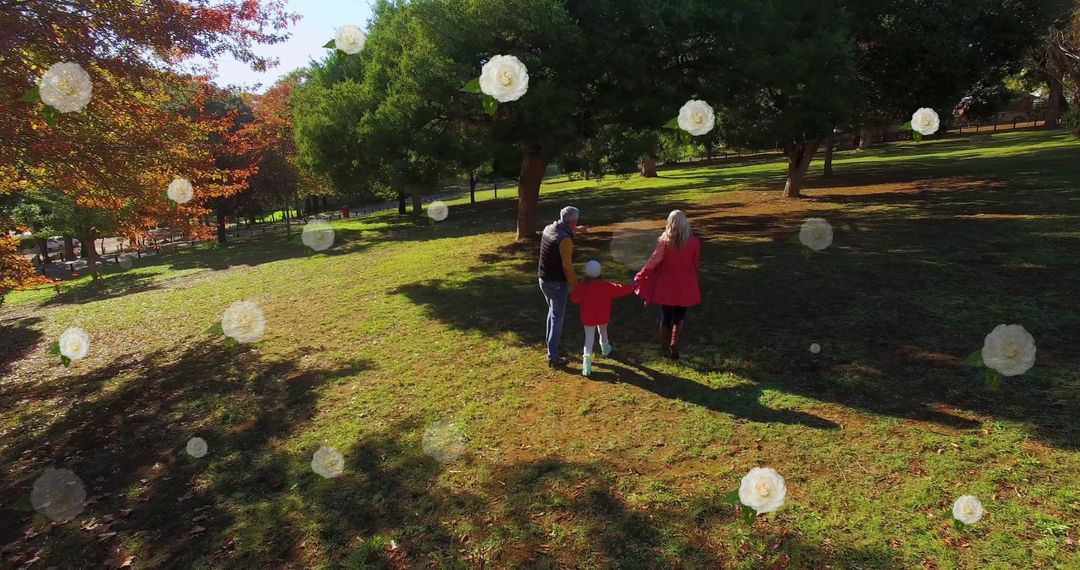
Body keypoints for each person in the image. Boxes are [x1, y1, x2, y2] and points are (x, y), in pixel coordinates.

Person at [634, 210, 701, 360]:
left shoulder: (665, 242)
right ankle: (674, 342)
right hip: (685, 282)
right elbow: (695, 264)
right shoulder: (694, 242)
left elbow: (654, 260)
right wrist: (693, 276)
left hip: (666, 283)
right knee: (680, 314)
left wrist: (642, 273)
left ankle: (664, 346)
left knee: (666, 315)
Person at [538, 206, 588, 368]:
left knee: (552, 314)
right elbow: (567, 267)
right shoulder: (565, 241)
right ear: (573, 221)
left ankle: (552, 348)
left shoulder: (549, 228)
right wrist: (576, 284)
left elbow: (563, 231)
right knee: (557, 319)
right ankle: (553, 356)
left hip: (543, 279)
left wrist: (577, 230)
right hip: (556, 283)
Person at [570, 260, 635, 376]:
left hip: (588, 318)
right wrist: (632, 287)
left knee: (588, 339)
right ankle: (605, 349)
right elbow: (619, 289)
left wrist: (577, 288)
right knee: (603, 331)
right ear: (600, 272)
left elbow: (574, 299)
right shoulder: (606, 286)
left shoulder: (582, 286)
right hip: (602, 316)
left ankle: (586, 366)